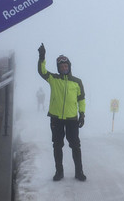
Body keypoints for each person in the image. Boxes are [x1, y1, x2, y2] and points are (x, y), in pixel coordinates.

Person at [37, 43, 87, 181]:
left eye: (66, 66)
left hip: (72, 119)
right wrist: (42, 57)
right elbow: (42, 71)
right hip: (56, 118)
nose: (64, 68)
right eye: (61, 67)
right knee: (57, 145)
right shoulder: (54, 79)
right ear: (58, 68)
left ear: (69, 67)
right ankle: (59, 172)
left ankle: (79, 172)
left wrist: (82, 114)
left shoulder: (77, 82)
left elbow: (81, 99)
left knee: (75, 145)